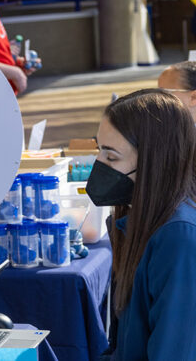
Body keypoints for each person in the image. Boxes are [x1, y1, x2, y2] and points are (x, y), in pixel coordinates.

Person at [85, 89, 196, 360]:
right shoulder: (132, 222)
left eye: (111, 157)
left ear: (152, 161)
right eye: (99, 151)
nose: (98, 165)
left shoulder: (178, 238)